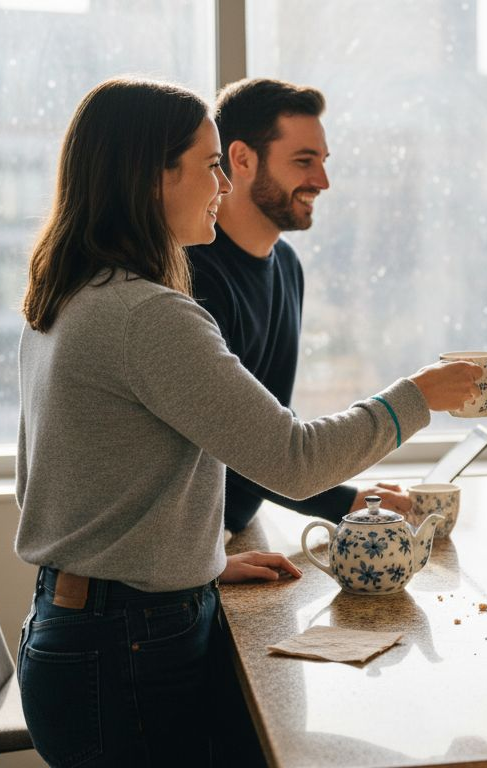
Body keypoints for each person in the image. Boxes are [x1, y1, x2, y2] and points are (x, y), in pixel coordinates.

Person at [13, 77, 479, 765]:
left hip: (94, 625)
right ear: (152, 178)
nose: (221, 186)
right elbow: (290, 456)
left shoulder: (74, 293)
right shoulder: (148, 316)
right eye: (207, 167)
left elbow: (86, 484)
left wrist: (195, 563)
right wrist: (420, 394)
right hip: (124, 646)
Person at [186, 77, 405, 535]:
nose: (322, 181)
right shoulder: (192, 275)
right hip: (192, 548)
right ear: (241, 159)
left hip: (234, 536)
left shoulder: (287, 265)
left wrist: (353, 500)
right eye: (304, 161)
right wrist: (346, 501)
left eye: (323, 162)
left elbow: (269, 434)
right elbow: (255, 447)